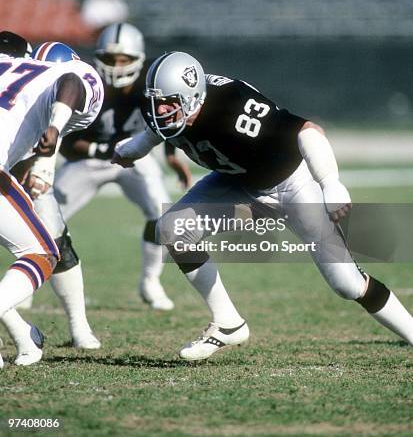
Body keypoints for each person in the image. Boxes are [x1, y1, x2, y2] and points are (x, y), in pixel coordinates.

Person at [113, 51, 413, 361]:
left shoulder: (232, 108)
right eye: (155, 101)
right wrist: (132, 149)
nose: (159, 109)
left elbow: (308, 131)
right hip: (239, 184)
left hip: (293, 185)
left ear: (192, 96)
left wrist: (330, 183)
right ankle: (228, 323)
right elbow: (155, 129)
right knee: (174, 228)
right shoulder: (172, 111)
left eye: (168, 102)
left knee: (347, 284)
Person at [48, 23, 191, 311]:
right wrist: (102, 150)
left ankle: (151, 281)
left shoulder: (153, 81)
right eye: (111, 59)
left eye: (124, 59)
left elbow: (167, 118)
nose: (117, 66)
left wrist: (172, 156)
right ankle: (30, 282)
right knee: (46, 220)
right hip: (89, 161)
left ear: (138, 58)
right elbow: (64, 142)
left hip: (136, 159)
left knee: (161, 211)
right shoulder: (84, 83)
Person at [0, 36, 103, 368]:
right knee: (41, 253)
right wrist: (55, 132)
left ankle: (25, 336)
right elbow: (72, 80)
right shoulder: (59, 74)